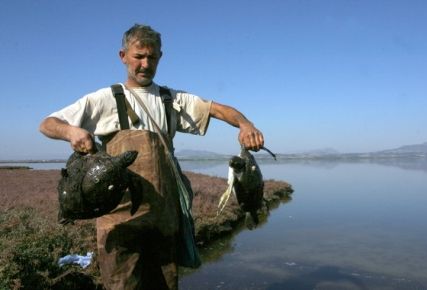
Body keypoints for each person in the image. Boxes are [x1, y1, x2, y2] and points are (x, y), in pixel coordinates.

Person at [39, 24, 264, 290]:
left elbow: (219, 110)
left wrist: (245, 124)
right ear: (123, 56)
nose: (145, 64)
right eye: (139, 56)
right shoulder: (105, 99)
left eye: (152, 57)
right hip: (120, 222)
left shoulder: (171, 99)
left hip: (163, 218)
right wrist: (70, 131)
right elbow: (48, 124)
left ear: (160, 57)